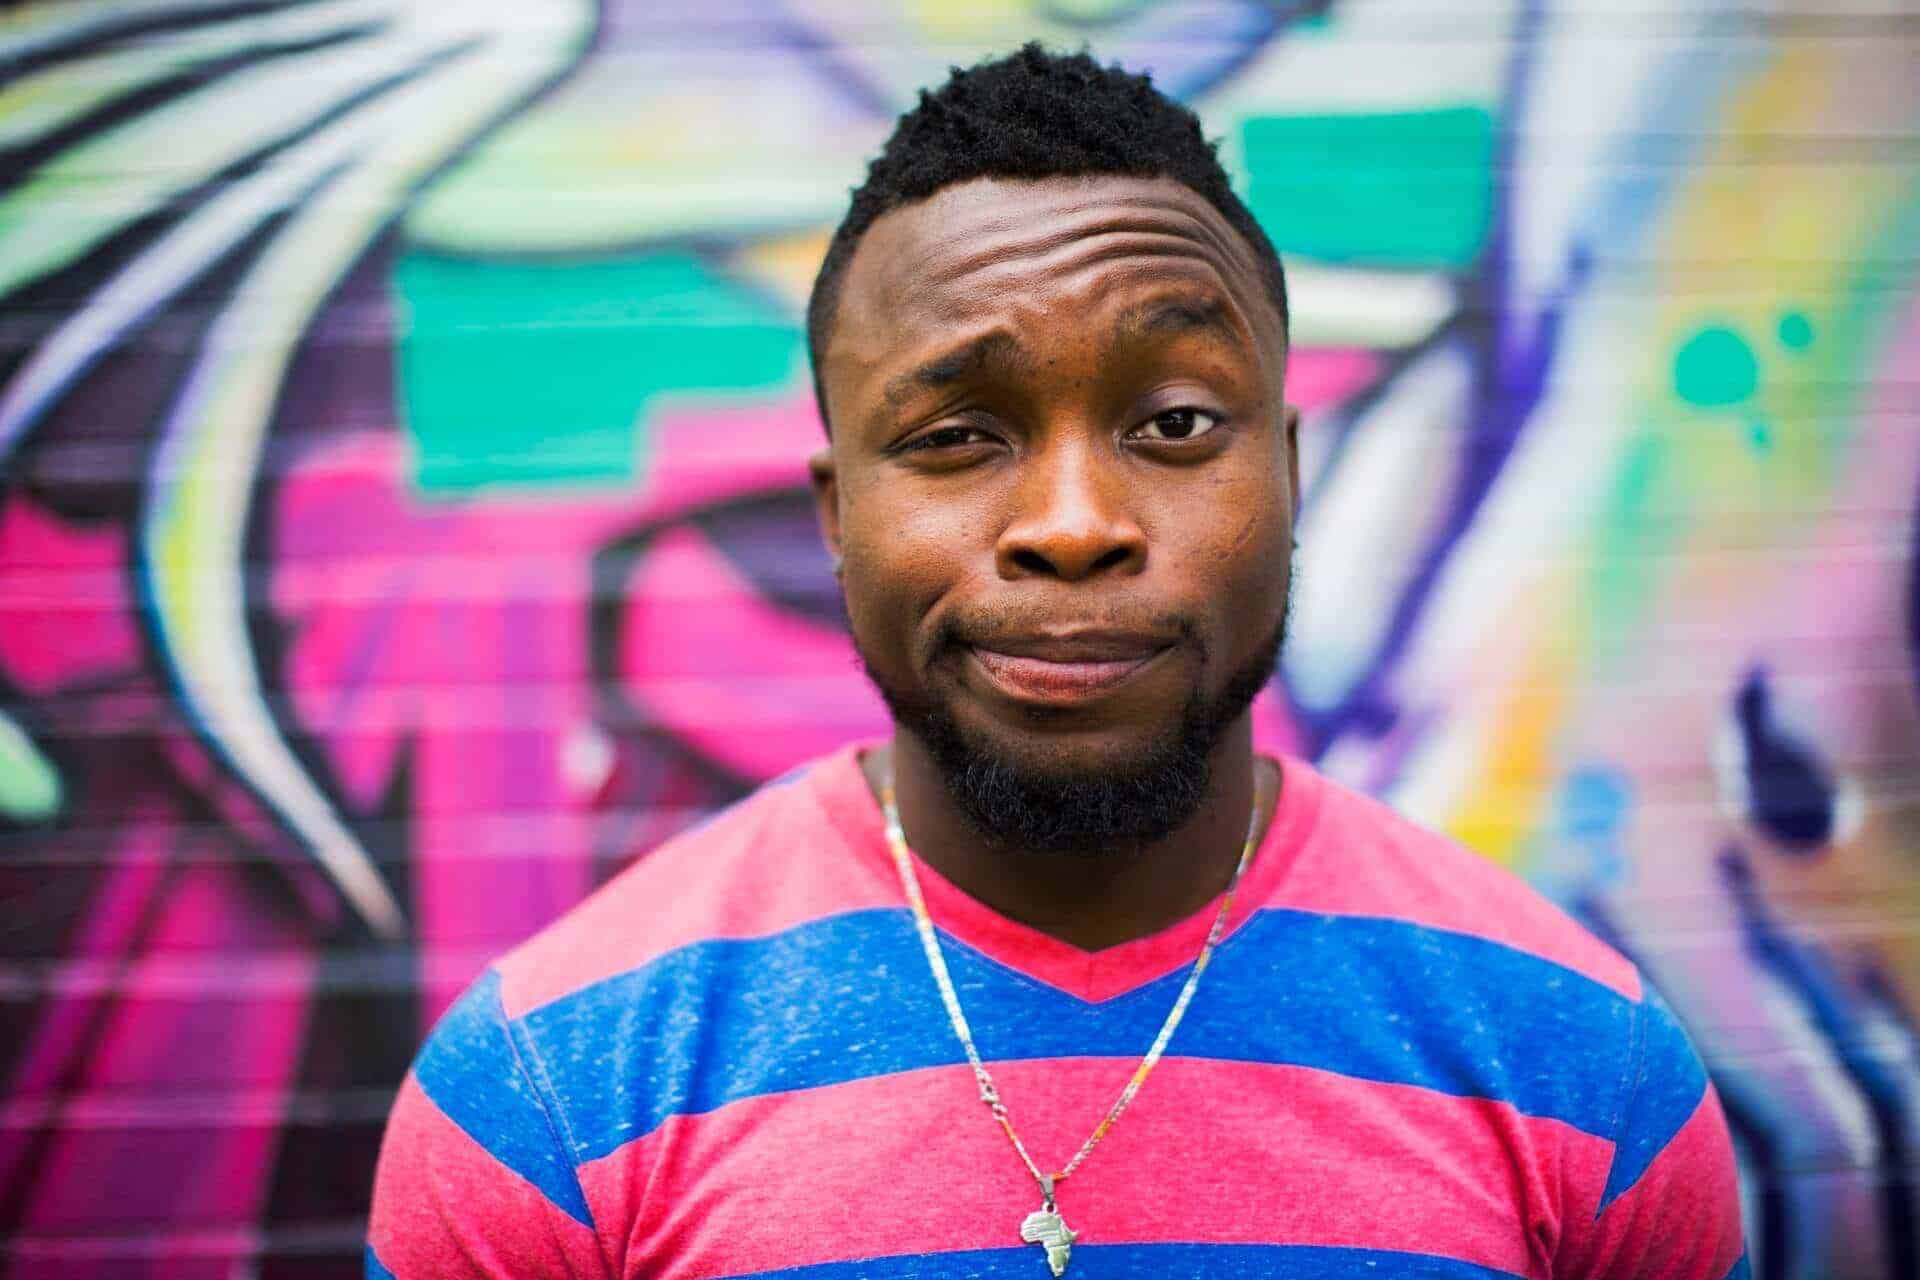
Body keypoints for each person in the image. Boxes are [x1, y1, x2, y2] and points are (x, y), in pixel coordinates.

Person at [366, 45, 1747, 1280]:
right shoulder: (553, 1089)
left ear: (1289, 476)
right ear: (838, 517)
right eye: (959, 436)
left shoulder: (1581, 1068)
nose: (1076, 527)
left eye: (1176, 422)